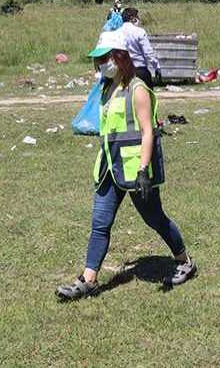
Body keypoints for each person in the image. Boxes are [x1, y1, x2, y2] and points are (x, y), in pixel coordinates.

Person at [56, 30, 196, 300]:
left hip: (135, 170)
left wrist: (144, 171)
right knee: (100, 223)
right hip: (109, 167)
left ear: (120, 57)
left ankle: (185, 261)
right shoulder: (106, 88)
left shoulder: (138, 89)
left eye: (105, 58)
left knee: (155, 219)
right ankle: (88, 280)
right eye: (98, 60)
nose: (101, 64)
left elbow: (147, 132)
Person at [120, 7, 161, 88]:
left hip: (123, 72)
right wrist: (157, 67)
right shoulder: (140, 32)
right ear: (133, 18)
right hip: (139, 71)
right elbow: (148, 53)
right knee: (148, 98)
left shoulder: (117, 33)